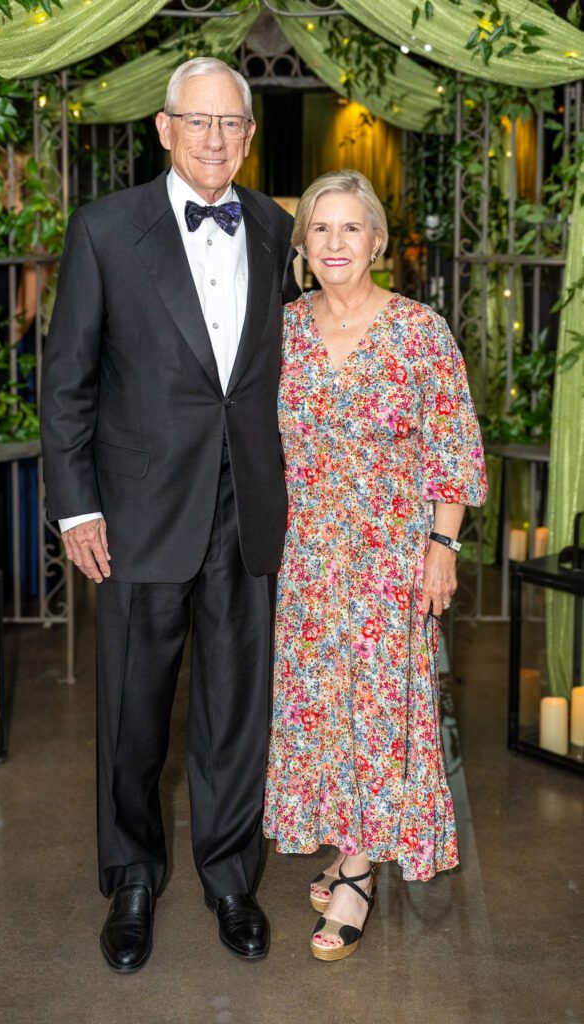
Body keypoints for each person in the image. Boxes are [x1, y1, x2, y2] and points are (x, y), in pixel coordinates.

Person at [40, 58, 299, 972]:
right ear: (163, 128)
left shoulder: (272, 225)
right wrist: (76, 508)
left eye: (232, 125)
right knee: (133, 709)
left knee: (237, 707)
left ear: (249, 134)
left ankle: (232, 877)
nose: (215, 141)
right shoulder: (107, 229)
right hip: (141, 510)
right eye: (199, 123)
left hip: (248, 505)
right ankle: (134, 877)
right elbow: (66, 380)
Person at [263, 170, 487, 961]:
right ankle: (346, 839)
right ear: (302, 245)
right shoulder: (281, 331)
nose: (333, 244)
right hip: (305, 558)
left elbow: (452, 448)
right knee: (321, 715)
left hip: (390, 558)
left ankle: (357, 875)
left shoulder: (419, 332)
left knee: (378, 716)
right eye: (319, 230)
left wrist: (440, 546)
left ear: (377, 242)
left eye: (349, 229)